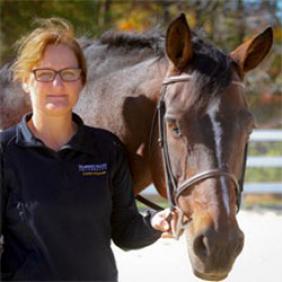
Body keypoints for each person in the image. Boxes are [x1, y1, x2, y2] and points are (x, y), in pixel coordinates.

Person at [0, 18, 175, 281]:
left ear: (81, 81)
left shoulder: (106, 150)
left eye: (69, 74)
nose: (58, 85)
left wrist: (154, 224)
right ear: (25, 81)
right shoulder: (5, 152)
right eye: (45, 74)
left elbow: (125, 231)